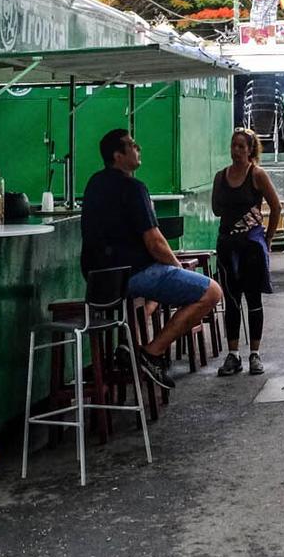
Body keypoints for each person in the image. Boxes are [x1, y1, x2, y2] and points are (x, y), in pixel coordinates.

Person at [81, 128, 222, 391]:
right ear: (118, 155)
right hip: (131, 275)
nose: (138, 148)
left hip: (99, 281)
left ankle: (130, 344)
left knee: (151, 292)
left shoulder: (94, 184)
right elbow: (155, 242)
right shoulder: (134, 188)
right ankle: (152, 352)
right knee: (211, 292)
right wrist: (178, 267)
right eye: (132, 145)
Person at [213, 128, 283, 377]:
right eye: (234, 145)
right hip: (227, 245)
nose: (237, 151)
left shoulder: (257, 175)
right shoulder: (221, 177)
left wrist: (267, 238)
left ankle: (255, 353)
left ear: (251, 150)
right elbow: (216, 210)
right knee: (231, 300)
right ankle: (233, 354)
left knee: (253, 300)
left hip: (251, 246)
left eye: (242, 147)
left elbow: (275, 207)